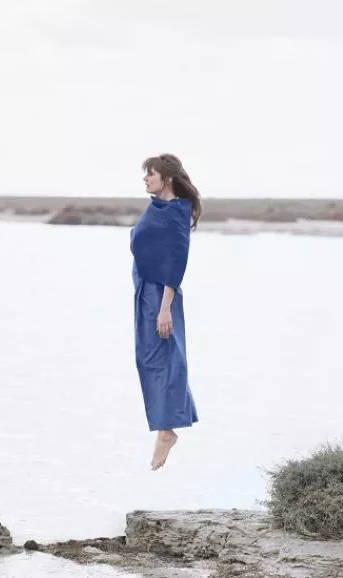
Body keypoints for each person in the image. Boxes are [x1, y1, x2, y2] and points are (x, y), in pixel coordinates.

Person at [129, 153, 202, 470]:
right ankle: (166, 424)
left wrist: (165, 309)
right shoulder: (158, 205)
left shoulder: (175, 213)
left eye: (151, 174)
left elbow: (178, 261)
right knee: (148, 358)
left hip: (161, 293)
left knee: (167, 357)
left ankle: (167, 430)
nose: (145, 179)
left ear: (166, 179)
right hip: (144, 288)